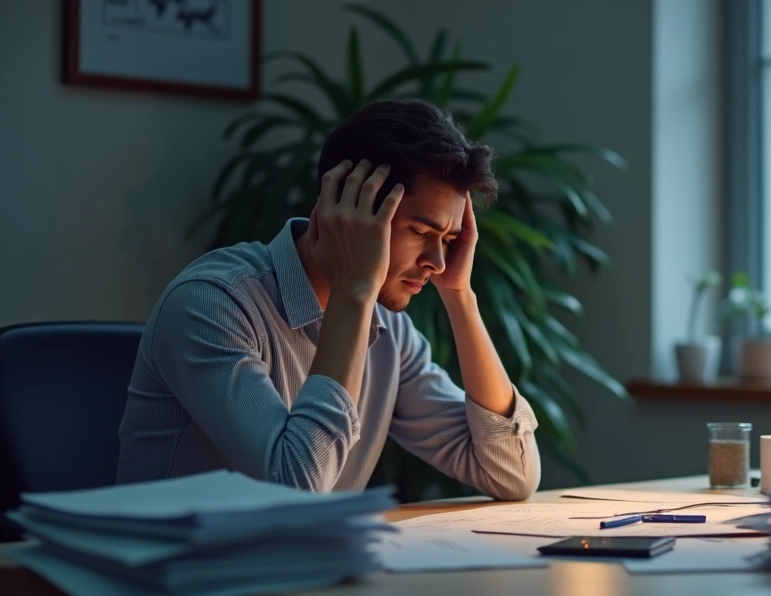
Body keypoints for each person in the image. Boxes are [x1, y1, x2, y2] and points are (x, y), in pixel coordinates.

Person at [115, 100, 540, 499]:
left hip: (305, 573)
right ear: (348, 209)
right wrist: (353, 292)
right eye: (421, 232)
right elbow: (297, 489)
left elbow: (512, 474)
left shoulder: (388, 331)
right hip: (185, 575)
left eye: (448, 240)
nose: (438, 261)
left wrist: (459, 295)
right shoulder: (212, 305)